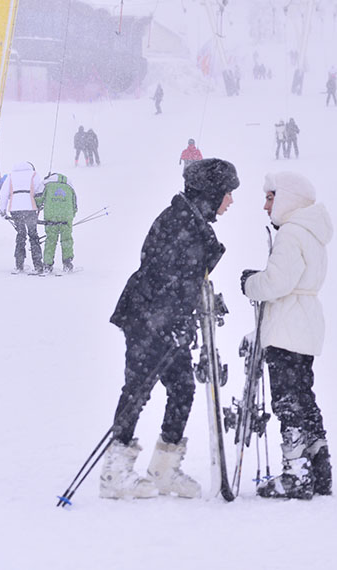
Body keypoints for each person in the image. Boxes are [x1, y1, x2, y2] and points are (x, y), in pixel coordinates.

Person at [102, 158, 239, 500]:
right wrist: (170, 323)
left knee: (181, 389)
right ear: (212, 192)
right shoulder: (179, 222)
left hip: (169, 322)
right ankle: (114, 472)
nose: (231, 201)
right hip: (147, 319)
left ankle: (164, 469)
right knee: (138, 388)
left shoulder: (192, 222)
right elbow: (161, 278)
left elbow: (186, 280)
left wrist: (193, 311)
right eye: (228, 193)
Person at [241, 172, 334, 500]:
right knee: (304, 396)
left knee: (287, 400)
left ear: (287, 198)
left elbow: (277, 284)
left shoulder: (291, 233)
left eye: (270, 197)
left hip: (287, 326)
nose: (266, 205)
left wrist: (250, 283)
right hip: (306, 323)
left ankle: (296, 473)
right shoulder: (311, 232)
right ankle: (318, 467)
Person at [0, 161, 45, 273]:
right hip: (30, 208)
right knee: (33, 235)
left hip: (15, 208)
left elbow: (3, 193)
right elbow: (39, 191)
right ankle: (38, 265)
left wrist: (3, 210)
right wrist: (39, 206)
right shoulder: (34, 174)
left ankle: (19, 264)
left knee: (21, 235)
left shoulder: (11, 176)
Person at [38, 172, 77, 273]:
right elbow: (75, 205)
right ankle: (67, 263)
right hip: (66, 217)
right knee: (67, 240)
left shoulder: (46, 184)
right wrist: (70, 216)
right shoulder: (69, 186)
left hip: (51, 217)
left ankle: (47, 265)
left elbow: (38, 199)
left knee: (50, 240)